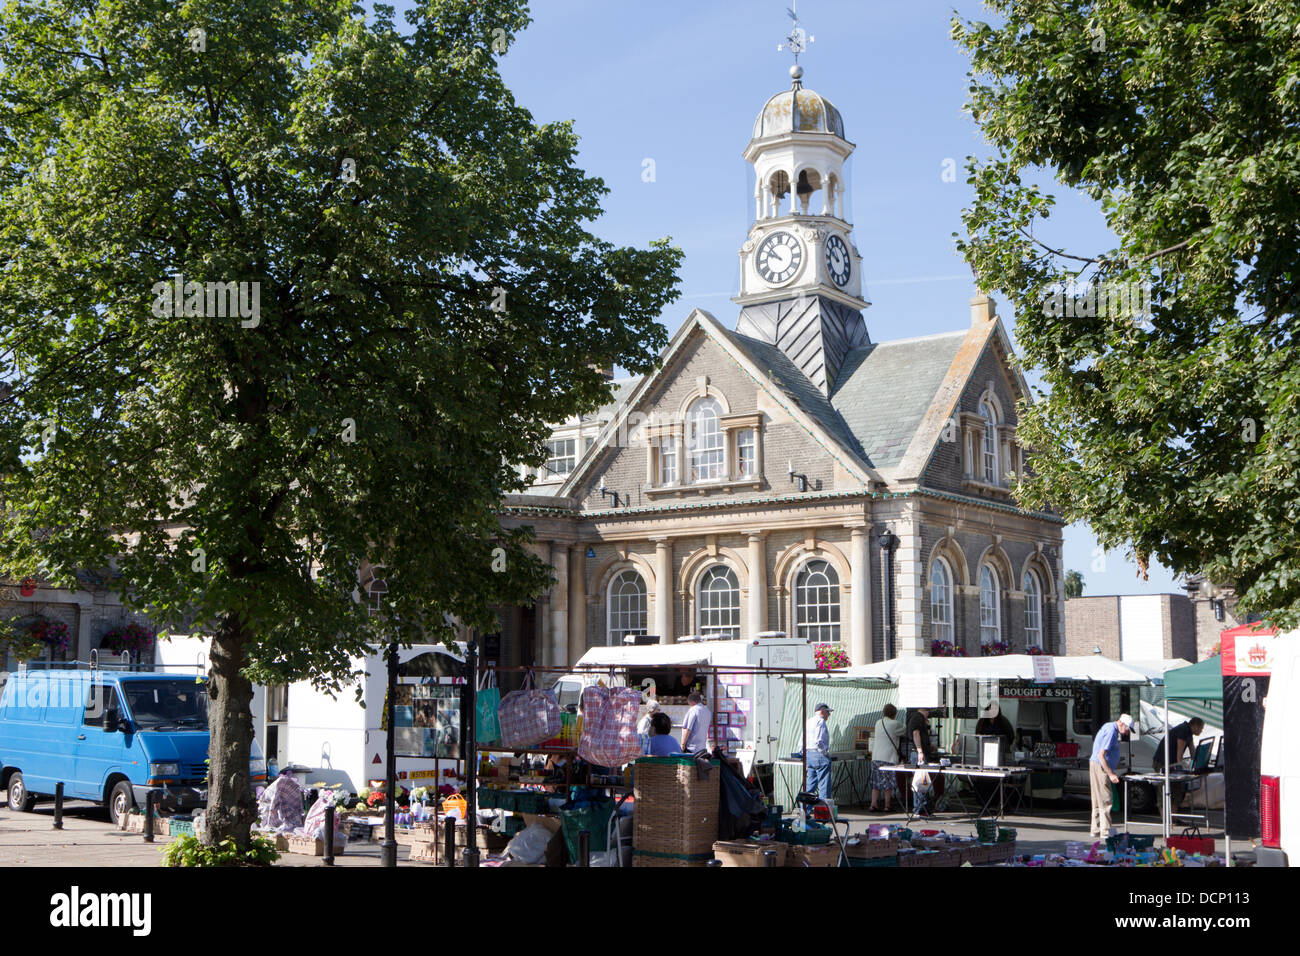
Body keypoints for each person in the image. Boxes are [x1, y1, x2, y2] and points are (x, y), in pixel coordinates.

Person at [1089, 713, 1139, 839]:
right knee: (1105, 799)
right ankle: (1105, 831)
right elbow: (1102, 755)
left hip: (1095, 763)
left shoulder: (1109, 726)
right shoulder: (1112, 731)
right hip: (1100, 766)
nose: (1127, 733)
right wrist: (1110, 774)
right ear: (1122, 723)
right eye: (1128, 729)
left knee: (1097, 799)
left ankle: (1096, 829)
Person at [1152, 716, 1205, 812]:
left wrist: (1199, 763)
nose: (1201, 731)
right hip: (1162, 763)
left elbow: (1193, 751)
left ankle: (1174, 818)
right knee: (1164, 789)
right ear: (1195, 726)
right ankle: (1166, 820)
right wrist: (1183, 768)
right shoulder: (1183, 730)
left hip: (1171, 763)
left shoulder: (1188, 731)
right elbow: (1179, 755)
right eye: (1201, 728)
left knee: (1177, 790)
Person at [869, 703, 905, 812]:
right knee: (887, 783)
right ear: (894, 714)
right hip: (888, 757)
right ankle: (887, 805)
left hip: (876, 757)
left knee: (876, 782)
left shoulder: (878, 723)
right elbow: (905, 730)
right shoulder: (895, 724)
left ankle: (873, 804)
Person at [906, 707, 936, 818]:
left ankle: (924, 809)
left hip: (920, 752)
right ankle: (919, 809)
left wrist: (927, 726)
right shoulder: (917, 717)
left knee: (923, 781)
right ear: (926, 710)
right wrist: (920, 750)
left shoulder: (919, 719)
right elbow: (916, 733)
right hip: (918, 753)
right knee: (921, 781)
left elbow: (924, 734)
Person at [804, 703, 834, 805]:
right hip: (818, 754)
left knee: (810, 785)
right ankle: (823, 811)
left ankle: (805, 811)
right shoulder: (820, 722)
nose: (829, 715)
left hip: (809, 754)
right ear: (822, 712)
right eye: (827, 712)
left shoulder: (809, 721)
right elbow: (819, 741)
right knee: (824, 785)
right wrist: (824, 753)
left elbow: (802, 740)